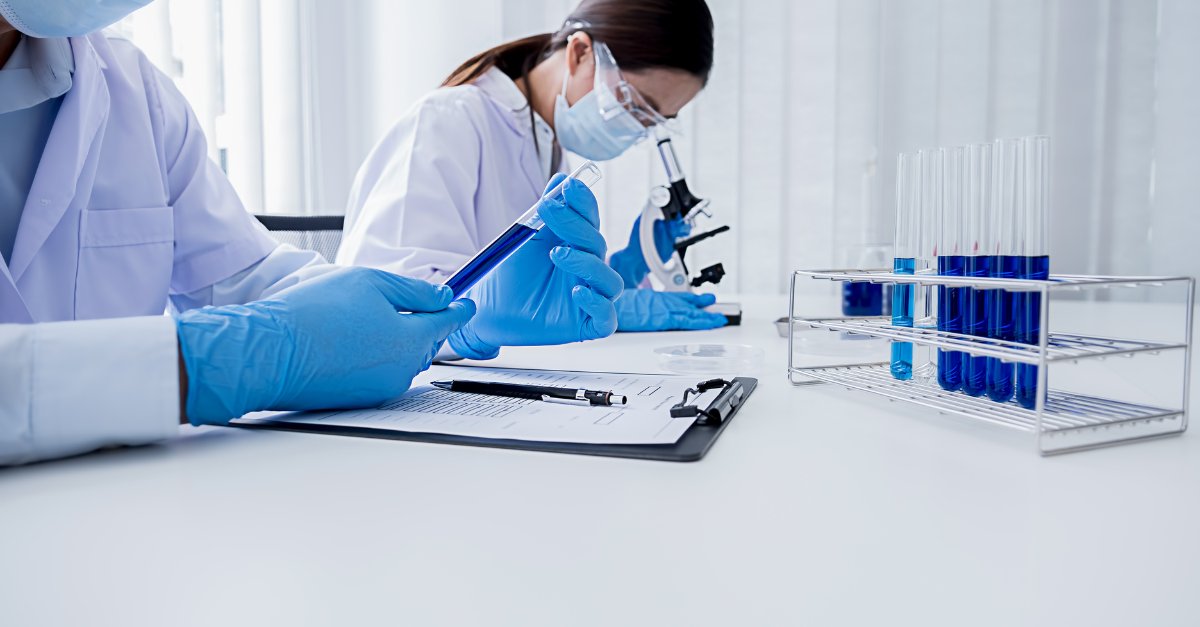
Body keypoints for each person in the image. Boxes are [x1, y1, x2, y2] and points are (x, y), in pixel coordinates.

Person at [0, 0, 619, 466]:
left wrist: (462, 308)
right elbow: (263, 333)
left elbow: (252, 282)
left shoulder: (130, 88)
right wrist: (203, 362)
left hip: (115, 503)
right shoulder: (453, 117)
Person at [337, 0, 727, 337]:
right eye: (637, 106)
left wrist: (617, 279)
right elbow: (389, 304)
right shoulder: (449, 120)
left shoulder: (548, 147)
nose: (640, 129)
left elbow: (536, 288)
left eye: (656, 120)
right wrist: (482, 320)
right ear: (580, 53)